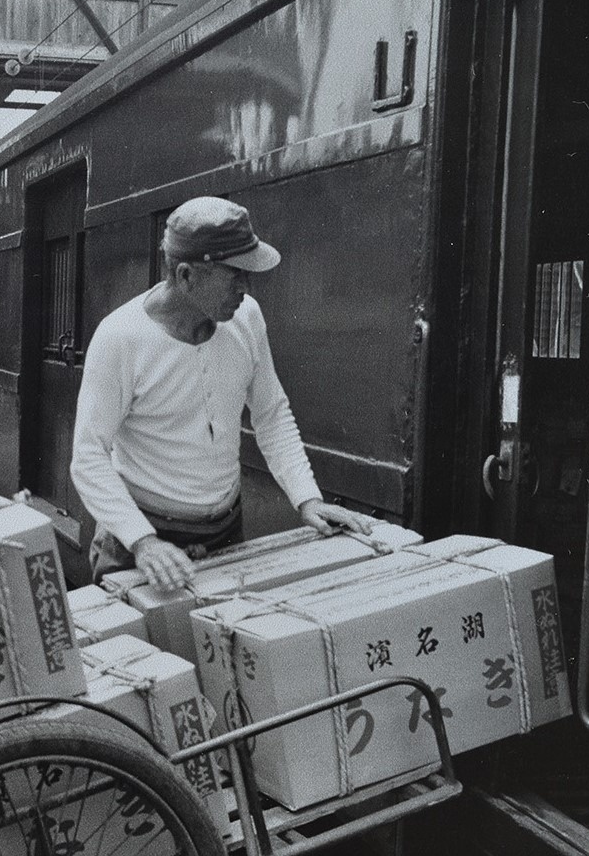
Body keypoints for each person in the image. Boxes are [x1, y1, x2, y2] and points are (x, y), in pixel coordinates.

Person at [70, 196, 373, 592]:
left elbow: (272, 414)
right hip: (138, 541)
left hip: (225, 533)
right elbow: (89, 455)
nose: (246, 288)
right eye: (235, 274)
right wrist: (143, 542)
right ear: (186, 275)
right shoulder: (120, 338)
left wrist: (307, 499)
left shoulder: (247, 319)